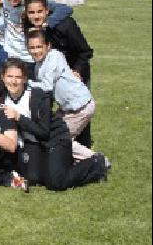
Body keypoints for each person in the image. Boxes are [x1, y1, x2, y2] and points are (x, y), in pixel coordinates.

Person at [0, 58, 108, 191]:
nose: (13, 81)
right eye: (9, 76)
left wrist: (18, 117)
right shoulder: (3, 99)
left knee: (55, 183)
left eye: (18, 77)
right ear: (3, 77)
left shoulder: (37, 96)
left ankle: (95, 163)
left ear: (25, 79)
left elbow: (43, 132)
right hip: (34, 143)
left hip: (55, 139)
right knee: (34, 179)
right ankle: (60, 164)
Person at [22, 0, 94, 148]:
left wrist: (77, 70)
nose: (35, 16)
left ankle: (87, 157)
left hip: (74, 75)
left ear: (47, 11)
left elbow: (85, 51)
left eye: (39, 12)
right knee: (56, 119)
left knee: (81, 120)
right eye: (31, 13)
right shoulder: (30, 28)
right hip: (51, 78)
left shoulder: (65, 24)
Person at [25, 29, 100, 163]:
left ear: (48, 46)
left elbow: (47, 86)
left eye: (39, 47)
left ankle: (94, 159)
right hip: (67, 109)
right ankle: (74, 160)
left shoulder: (55, 56)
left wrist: (25, 83)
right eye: (32, 47)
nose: (35, 51)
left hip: (81, 107)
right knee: (49, 132)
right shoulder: (38, 66)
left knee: (60, 137)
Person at [1, 0, 72, 78]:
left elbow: (65, 9)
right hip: (10, 56)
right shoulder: (3, 0)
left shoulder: (31, 1)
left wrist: (47, 23)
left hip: (30, 58)